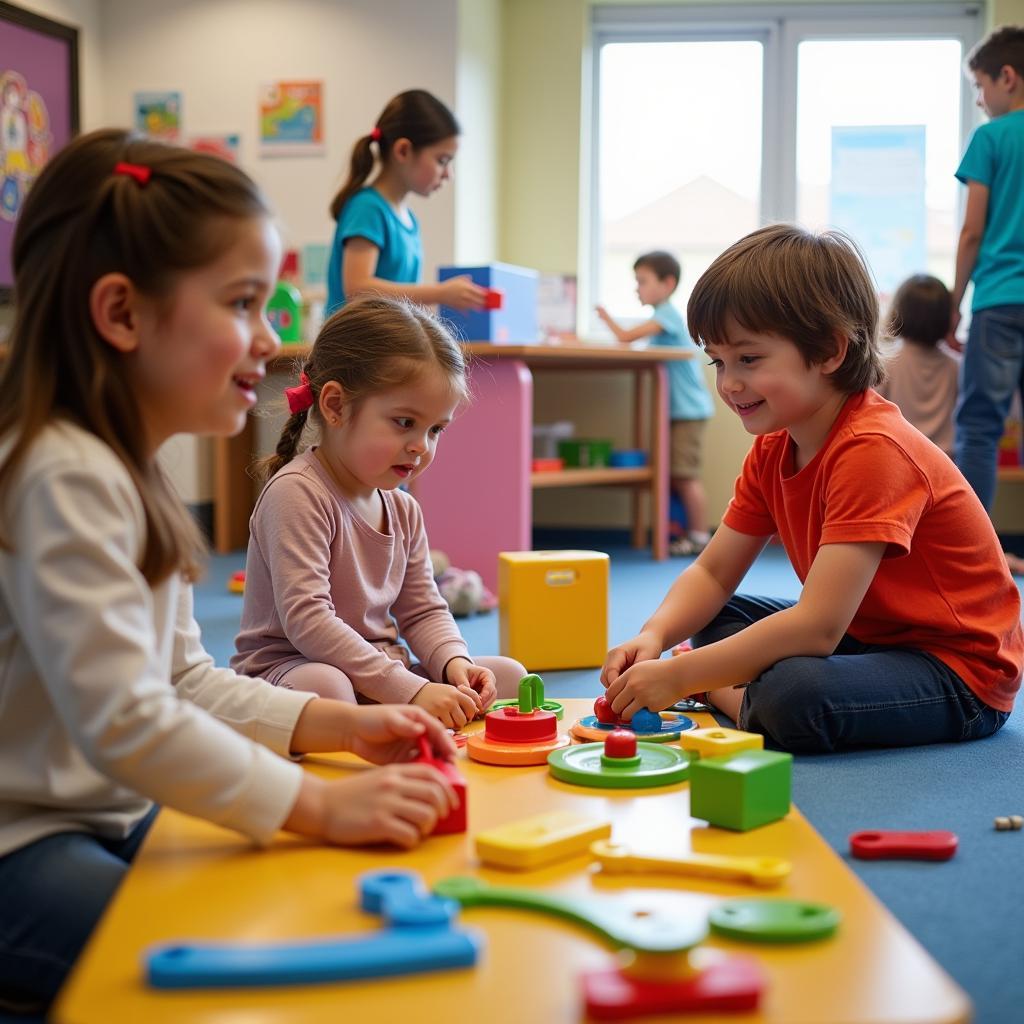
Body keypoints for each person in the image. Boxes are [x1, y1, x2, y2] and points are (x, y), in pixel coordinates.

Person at [0, 130, 460, 1017]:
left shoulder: (126, 466)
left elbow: (179, 680)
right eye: (245, 303)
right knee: (208, 978)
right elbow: (125, 720)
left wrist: (338, 727)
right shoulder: (62, 472)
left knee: (260, 906)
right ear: (123, 314)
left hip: (97, 811)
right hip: (20, 839)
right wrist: (316, 808)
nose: (272, 336)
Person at [601, 224, 1022, 754]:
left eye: (749, 359)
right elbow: (712, 571)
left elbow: (819, 627)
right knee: (716, 621)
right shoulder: (775, 447)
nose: (729, 383)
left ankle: (730, 691)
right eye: (718, 361)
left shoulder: (873, 449)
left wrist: (682, 678)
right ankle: (728, 684)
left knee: (794, 695)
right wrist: (655, 636)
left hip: (956, 670)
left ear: (828, 352)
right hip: (868, 634)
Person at [232, 295, 526, 728]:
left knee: (508, 677)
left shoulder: (403, 508)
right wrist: (412, 690)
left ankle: (388, 720)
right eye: (404, 423)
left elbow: (423, 609)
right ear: (334, 406)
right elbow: (308, 623)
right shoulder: (296, 493)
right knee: (331, 688)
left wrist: (453, 665)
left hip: (380, 674)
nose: (420, 446)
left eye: (435, 429)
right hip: (294, 671)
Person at [949, 25, 1024, 574]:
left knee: (979, 423)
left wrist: (955, 299)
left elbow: (972, 231)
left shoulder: (992, 137)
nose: (980, 99)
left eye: (979, 86)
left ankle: (972, 556)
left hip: (999, 300)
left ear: (1007, 77)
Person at [596, 250, 714, 556]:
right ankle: (686, 532)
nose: (638, 288)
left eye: (643, 281)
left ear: (667, 283)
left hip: (688, 410)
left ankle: (700, 536)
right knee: (676, 473)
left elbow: (625, 337)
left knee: (684, 475)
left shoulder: (667, 316)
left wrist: (604, 316)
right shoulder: (661, 318)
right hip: (679, 410)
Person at [326, 89, 484, 315]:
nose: (449, 174)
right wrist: (440, 294)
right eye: (442, 160)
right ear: (403, 151)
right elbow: (358, 290)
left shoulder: (408, 220)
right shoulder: (367, 208)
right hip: (355, 347)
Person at [877, 273, 959, 456]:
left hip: (901, 455)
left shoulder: (889, 362)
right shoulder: (956, 366)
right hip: (946, 460)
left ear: (898, 313)